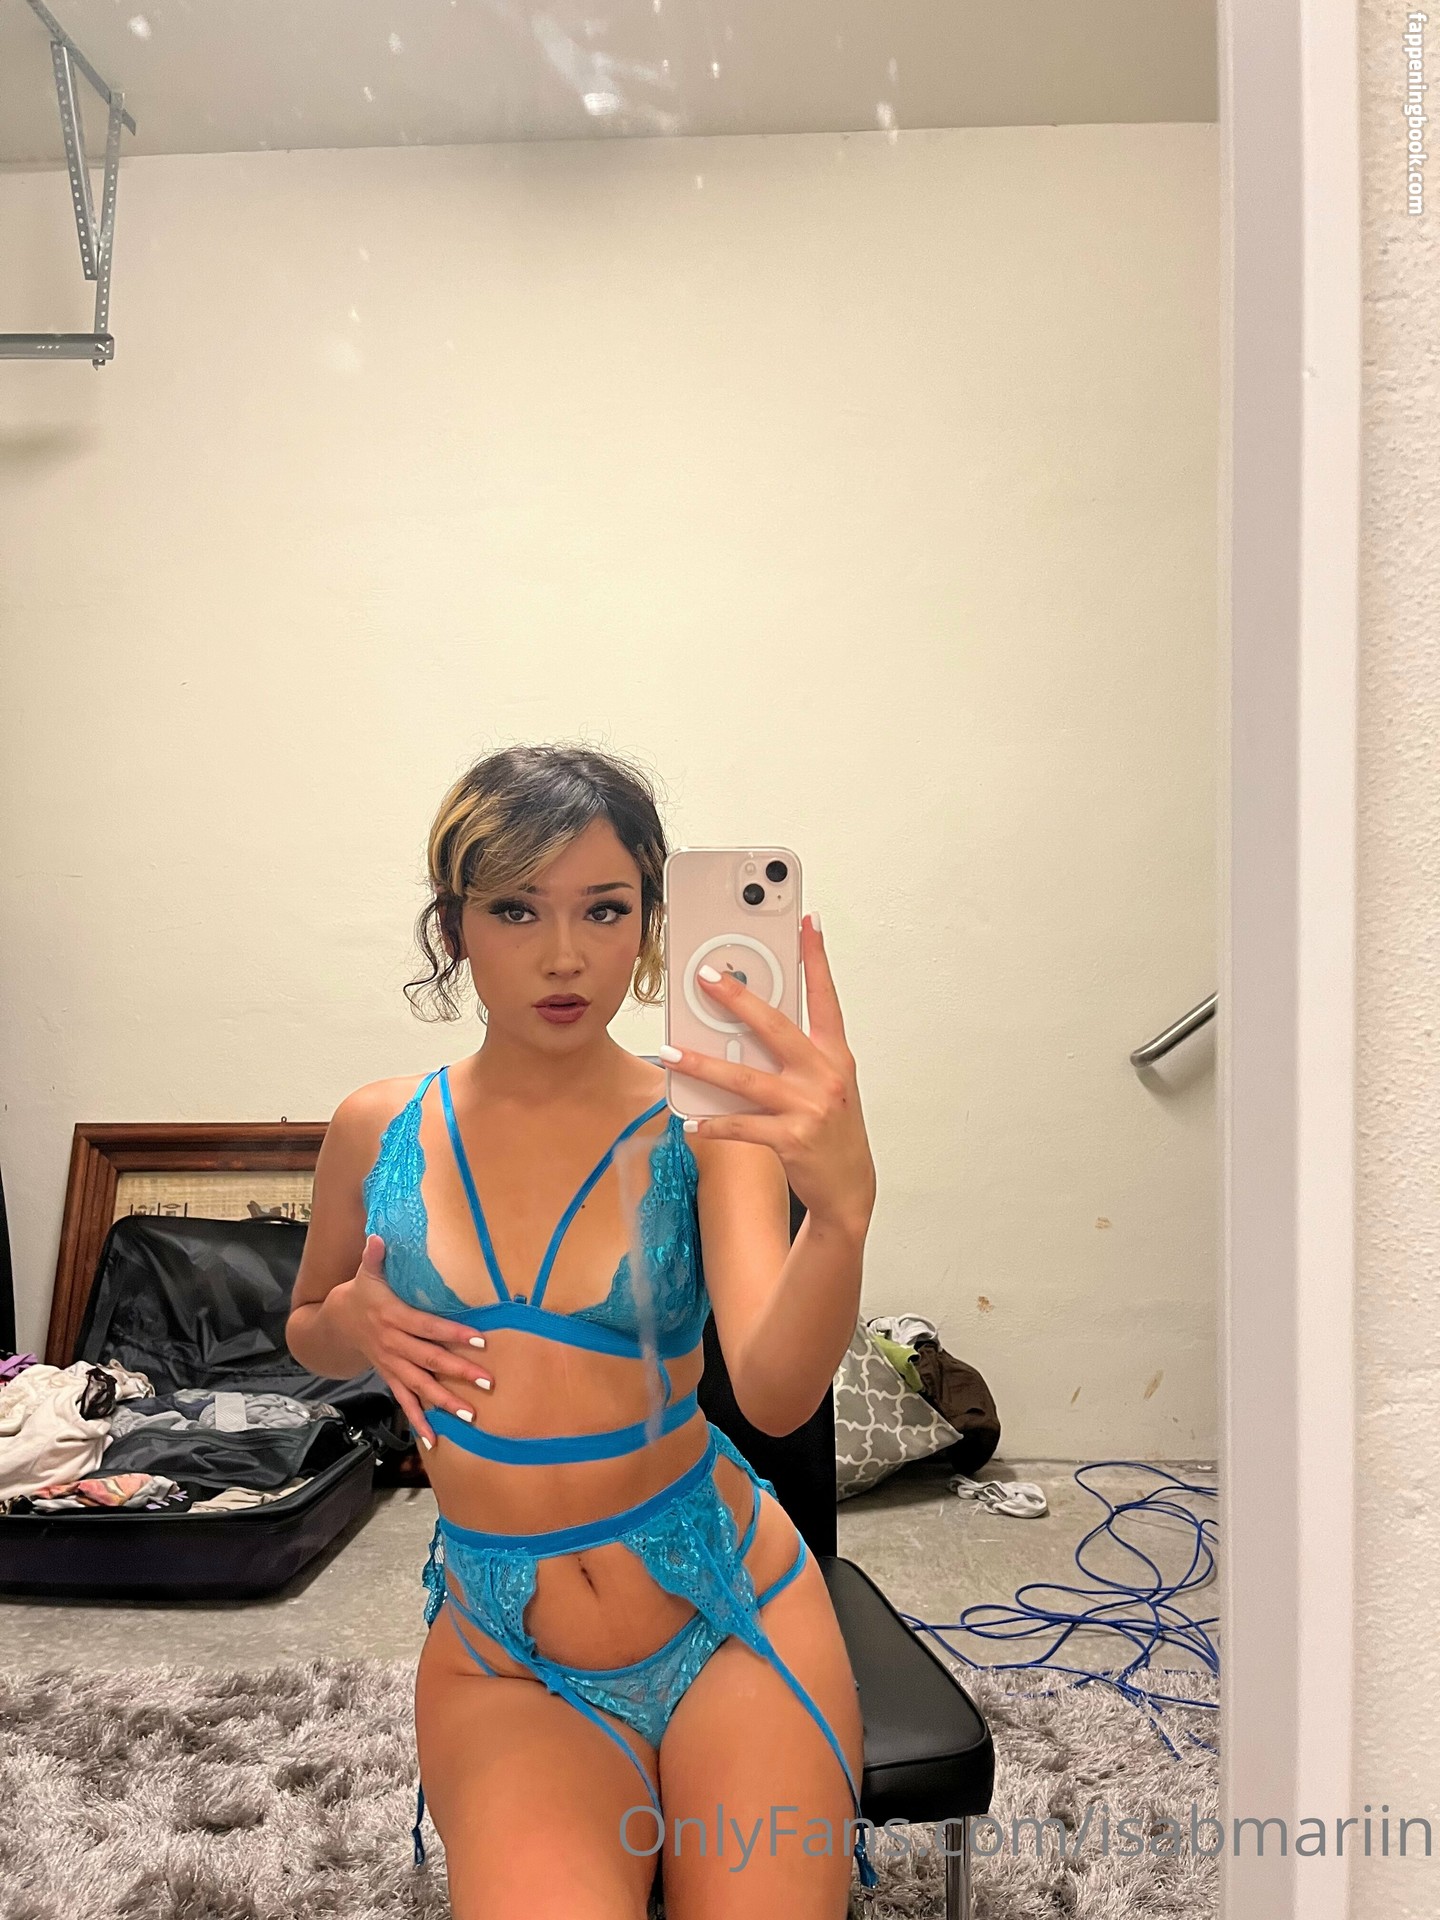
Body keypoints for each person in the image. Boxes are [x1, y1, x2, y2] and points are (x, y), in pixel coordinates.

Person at [285, 742, 878, 1920]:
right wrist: (351, 1317)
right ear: (455, 927)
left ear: (649, 923)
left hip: (731, 1613)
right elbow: (307, 1329)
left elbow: (774, 1394)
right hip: (510, 1656)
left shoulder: (703, 1123)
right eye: (517, 908)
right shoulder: (378, 1127)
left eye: (605, 909)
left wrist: (843, 1215)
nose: (564, 955)